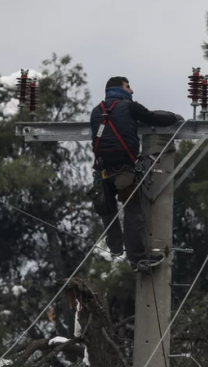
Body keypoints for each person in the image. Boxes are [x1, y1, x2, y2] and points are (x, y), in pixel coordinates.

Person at [88, 76, 182, 270]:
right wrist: (176, 118)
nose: (131, 91)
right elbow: (154, 119)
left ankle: (114, 247)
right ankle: (138, 259)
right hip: (125, 171)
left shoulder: (96, 111)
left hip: (103, 171)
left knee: (108, 209)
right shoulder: (130, 107)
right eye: (128, 87)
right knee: (133, 212)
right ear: (120, 89)